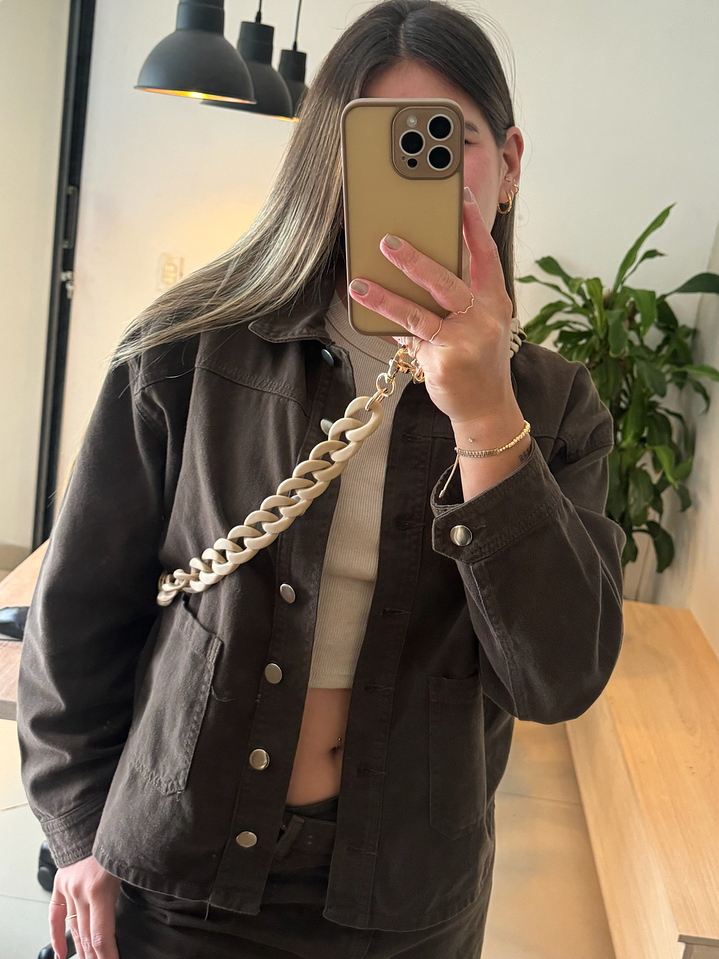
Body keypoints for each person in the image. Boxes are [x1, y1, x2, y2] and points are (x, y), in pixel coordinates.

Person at [16, 1, 626, 957]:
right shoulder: (190, 350)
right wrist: (79, 831)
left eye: (448, 140)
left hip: (405, 906)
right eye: (374, 141)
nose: (415, 171)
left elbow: (556, 677)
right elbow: (79, 614)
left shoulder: (552, 407)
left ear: (508, 163)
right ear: (322, 160)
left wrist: (485, 420)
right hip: (177, 878)